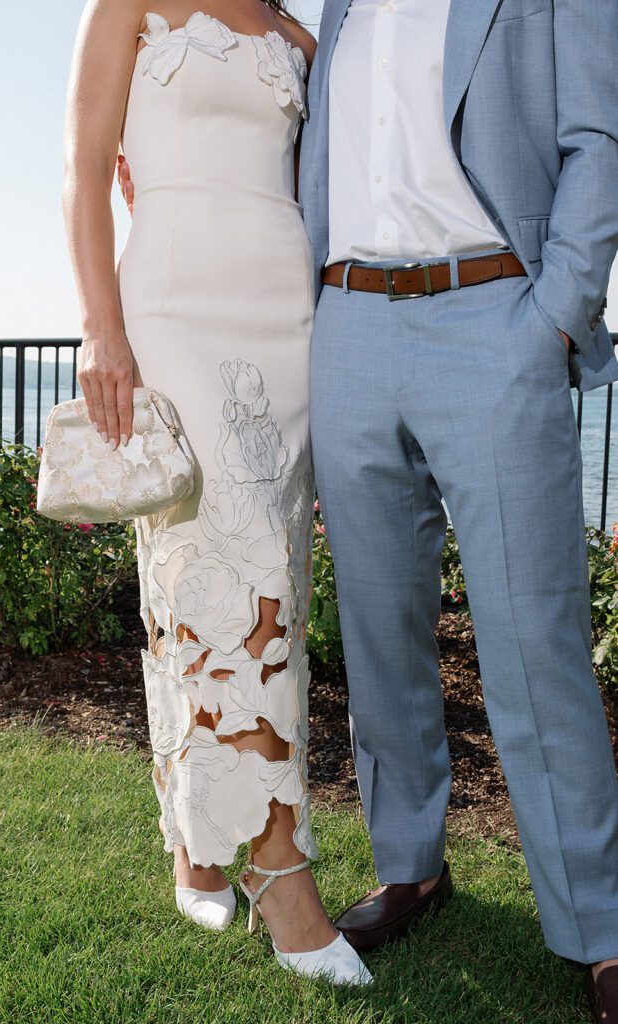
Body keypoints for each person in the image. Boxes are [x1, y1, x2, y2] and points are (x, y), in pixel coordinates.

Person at [297, 1, 618, 1021]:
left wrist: (552, 319)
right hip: (346, 326)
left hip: (493, 316)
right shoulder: (336, 7)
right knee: (378, 632)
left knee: (532, 641)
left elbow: (596, 137)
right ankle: (409, 869)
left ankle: (598, 924)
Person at [63, 0, 371, 985]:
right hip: (175, 310)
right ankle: (277, 870)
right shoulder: (126, 5)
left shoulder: (295, 37)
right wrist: (101, 330)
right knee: (221, 580)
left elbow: (346, 151)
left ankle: (201, 839)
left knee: (252, 580)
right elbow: (80, 171)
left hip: (286, 316)